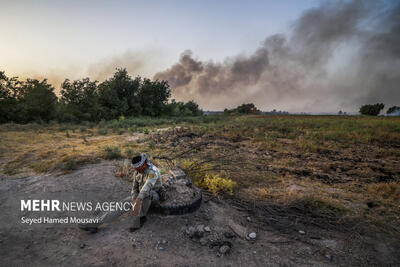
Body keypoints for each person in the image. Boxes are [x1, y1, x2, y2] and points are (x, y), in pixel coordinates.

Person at [130, 153, 162, 231]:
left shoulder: (152, 172)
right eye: (135, 168)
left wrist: (138, 199)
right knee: (124, 202)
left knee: (147, 193)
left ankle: (141, 218)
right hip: (140, 195)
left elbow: (147, 186)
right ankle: (97, 222)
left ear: (144, 164)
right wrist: (134, 198)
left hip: (153, 195)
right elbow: (134, 188)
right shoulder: (137, 172)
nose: (136, 170)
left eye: (138, 168)